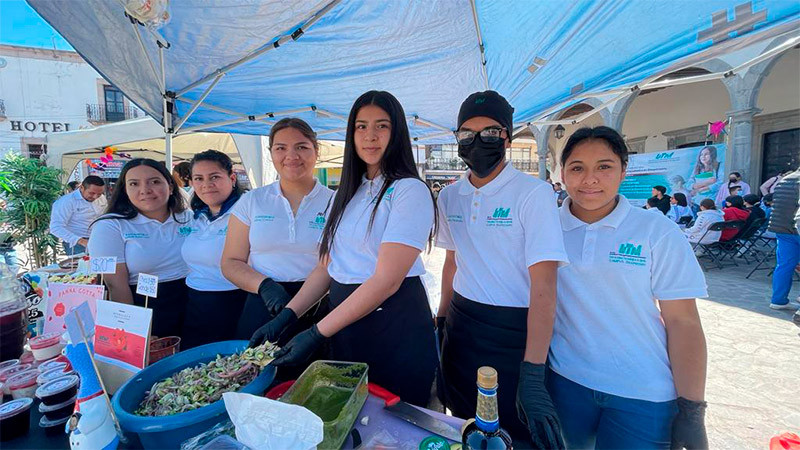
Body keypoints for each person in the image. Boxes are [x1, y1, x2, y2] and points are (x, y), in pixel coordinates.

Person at [255, 91, 438, 407]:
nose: (370, 136)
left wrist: (316, 333)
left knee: (394, 425)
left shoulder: (409, 191)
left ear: (397, 133)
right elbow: (327, 267)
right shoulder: (347, 192)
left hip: (393, 324)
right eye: (361, 126)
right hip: (344, 325)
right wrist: (287, 315)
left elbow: (386, 281)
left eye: (382, 126)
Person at [550, 126, 708, 450]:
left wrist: (692, 409)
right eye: (577, 167)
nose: (589, 179)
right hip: (565, 384)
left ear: (623, 171)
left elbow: (683, 322)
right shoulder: (545, 227)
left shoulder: (655, 231)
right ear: (562, 174)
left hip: (642, 394)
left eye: (604, 167)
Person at [434, 91, 567, 447]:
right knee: (464, 424)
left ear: (507, 137)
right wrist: (442, 322)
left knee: (512, 432)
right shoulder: (449, 196)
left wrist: (534, 370)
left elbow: (544, 286)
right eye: (467, 134)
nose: (477, 142)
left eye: (490, 132)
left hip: (515, 332)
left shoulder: (533, 194)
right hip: (461, 325)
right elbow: (451, 263)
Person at [221, 118, 333, 377]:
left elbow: (333, 262)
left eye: (302, 147)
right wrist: (264, 285)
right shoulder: (252, 201)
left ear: (316, 151)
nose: (291, 156)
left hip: (320, 307)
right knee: (258, 382)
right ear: (271, 153)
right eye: (281, 148)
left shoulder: (336, 201)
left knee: (314, 384)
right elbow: (231, 261)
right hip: (264, 304)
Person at [88, 159, 191, 338]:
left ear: (171, 186)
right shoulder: (108, 226)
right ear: (125, 190)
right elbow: (115, 285)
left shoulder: (190, 217)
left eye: (155, 181)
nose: (145, 190)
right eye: (134, 184)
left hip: (195, 304)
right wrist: (134, 331)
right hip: (145, 307)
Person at [180, 150, 247, 349]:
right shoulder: (195, 216)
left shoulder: (246, 212)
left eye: (215, 177)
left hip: (235, 302)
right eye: (198, 178)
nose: (206, 185)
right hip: (196, 304)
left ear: (232, 178)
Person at [766, 169, 800, 310]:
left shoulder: (785, 180)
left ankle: (778, 300)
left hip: (783, 228)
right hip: (795, 226)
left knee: (784, 265)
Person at [50, 175, 107, 256]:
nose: (95, 197)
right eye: (91, 193)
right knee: (82, 267)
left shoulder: (101, 198)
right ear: (81, 188)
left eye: (99, 194)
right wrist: (82, 241)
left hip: (98, 239)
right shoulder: (66, 202)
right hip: (77, 243)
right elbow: (55, 227)